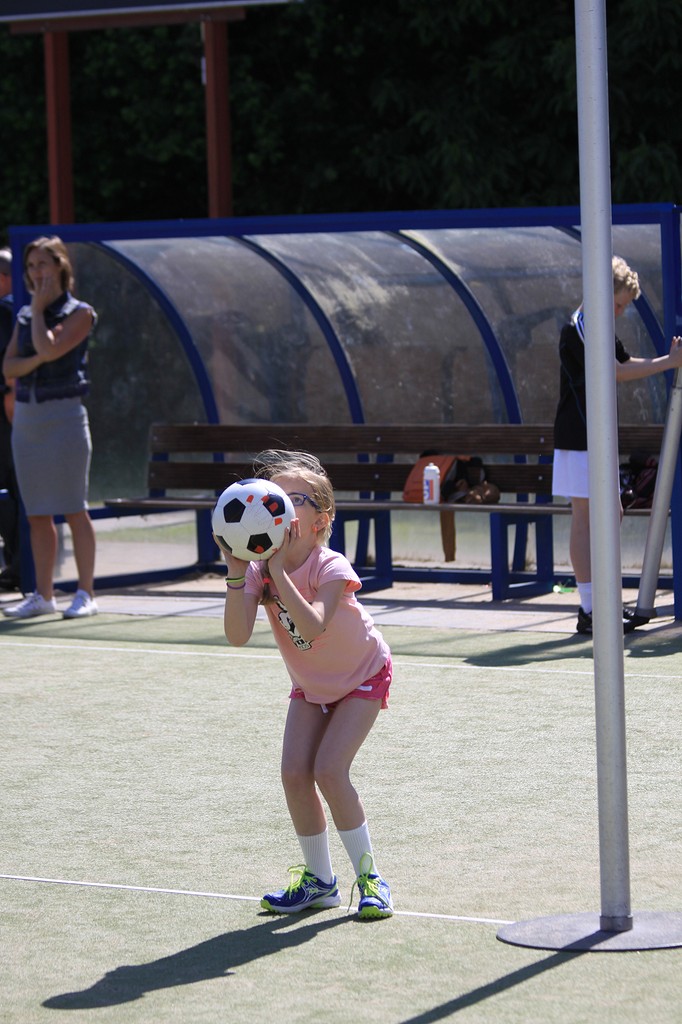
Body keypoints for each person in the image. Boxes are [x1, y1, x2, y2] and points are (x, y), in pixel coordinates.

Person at [218, 449, 394, 919]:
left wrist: (276, 571)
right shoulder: (255, 569)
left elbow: (313, 627)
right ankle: (320, 882)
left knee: (329, 770)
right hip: (311, 686)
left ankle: (371, 878)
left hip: (363, 675)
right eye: (274, 495)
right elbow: (237, 635)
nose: (278, 505)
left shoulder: (330, 565)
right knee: (295, 774)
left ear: (321, 519)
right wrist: (236, 572)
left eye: (294, 499)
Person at [553, 255, 682, 635]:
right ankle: (591, 609)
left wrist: (667, 360)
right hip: (578, 436)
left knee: (612, 513)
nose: (621, 312)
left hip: (598, 435)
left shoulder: (599, 325)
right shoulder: (579, 326)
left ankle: (602, 603)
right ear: (601, 292)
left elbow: (623, 359)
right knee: (585, 517)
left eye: (624, 306)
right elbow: (614, 371)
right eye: (619, 304)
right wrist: (668, 362)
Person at [1, 236, 98, 620]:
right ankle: (43, 596)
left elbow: (48, 349)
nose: (35, 272)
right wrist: (34, 357)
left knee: (74, 509)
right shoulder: (25, 315)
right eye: (30, 266)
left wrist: (40, 313)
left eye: (42, 264)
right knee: (37, 513)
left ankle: (86, 593)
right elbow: (8, 367)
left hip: (65, 419)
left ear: (59, 265)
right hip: (28, 421)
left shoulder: (81, 312)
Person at [0, 246, 21, 592]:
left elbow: (9, 375)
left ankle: (19, 567)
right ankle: (18, 566)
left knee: (11, 492)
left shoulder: (6, 310)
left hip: (8, 417)